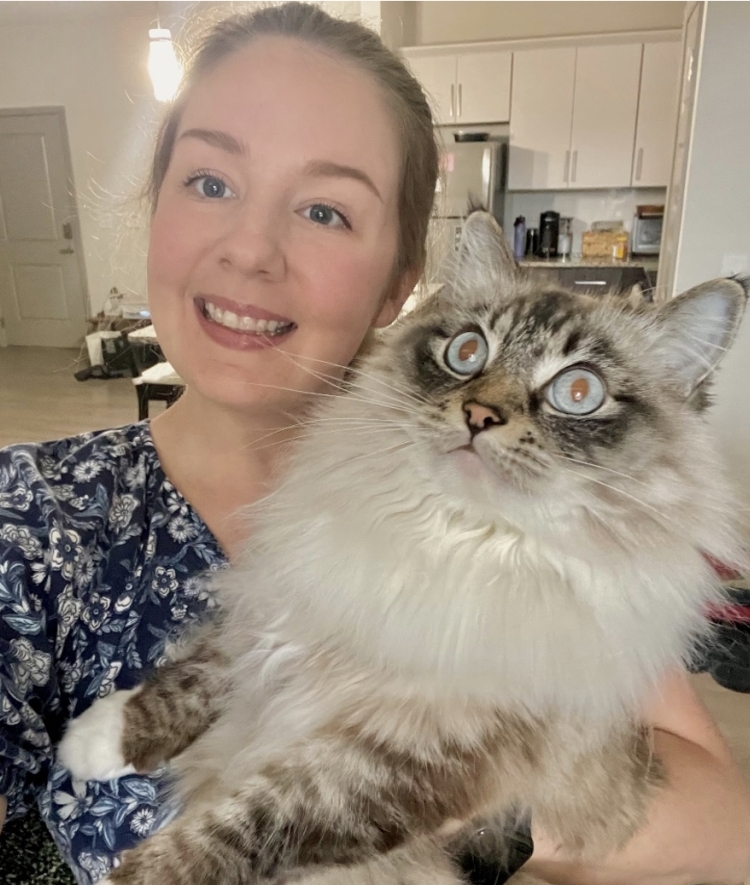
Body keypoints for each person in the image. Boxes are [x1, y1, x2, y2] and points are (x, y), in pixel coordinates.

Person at [0, 4, 749, 885]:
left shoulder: (570, 540)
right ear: (151, 204)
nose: (250, 250)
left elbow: (726, 832)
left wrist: (480, 790)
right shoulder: (30, 523)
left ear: (402, 280)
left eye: (324, 209)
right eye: (210, 181)